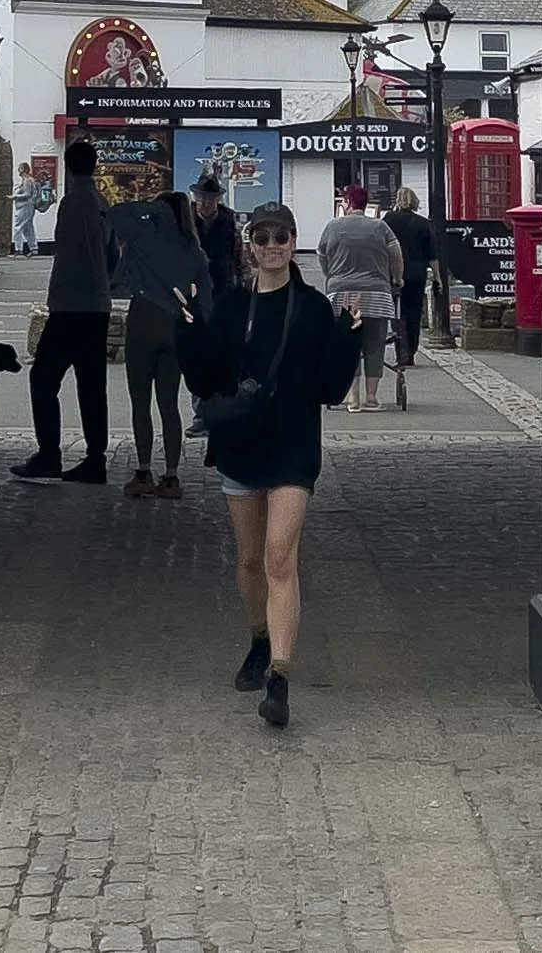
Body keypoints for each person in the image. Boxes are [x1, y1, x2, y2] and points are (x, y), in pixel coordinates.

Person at [178, 201, 359, 729]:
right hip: (241, 443)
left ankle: (279, 675)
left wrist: (348, 341)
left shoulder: (312, 307)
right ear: (250, 245)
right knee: (250, 560)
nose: (273, 245)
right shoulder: (232, 305)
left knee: (280, 557)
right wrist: (188, 329)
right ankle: (259, 638)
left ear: (293, 242)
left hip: (294, 445)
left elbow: (328, 387)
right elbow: (207, 377)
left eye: (282, 236)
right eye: (263, 237)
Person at [12, 139, 113, 484]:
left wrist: (55, 298)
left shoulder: (73, 204)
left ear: (68, 167)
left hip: (72, 305)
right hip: (97, 305)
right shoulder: (101, 202)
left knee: (43, 378)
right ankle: (95, 457)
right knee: (91, 384)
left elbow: (70, 258)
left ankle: (49, 453)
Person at [111, 187, 210, 497]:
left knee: (140, 402)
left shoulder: (140, 244)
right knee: (169, 404)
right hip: (175, 330)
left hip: (141, 326)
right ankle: (171, 475)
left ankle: (143, 470)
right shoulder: (194, 250)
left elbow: (119, 282)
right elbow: (206, 301)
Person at [316, 182, 402, 412]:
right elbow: (396, 253)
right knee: (375, 346)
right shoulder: (380, 227)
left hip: (341, 293)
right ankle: (371, 397)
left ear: (346, 203)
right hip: (377, 292)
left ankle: (353, 399)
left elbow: (322, 255)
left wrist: (331, 275)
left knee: (347, 345)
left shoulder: (332, 227)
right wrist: (397, 278)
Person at [383, 186, 438, 410]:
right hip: (416, 273)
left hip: (393, 273)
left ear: (397, 200)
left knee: (396, 312)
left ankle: (400, 348)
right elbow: (431, 253)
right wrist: (438, 277)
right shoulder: (423, 223)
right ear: (414, 201)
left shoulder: (387, 220)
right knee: (414, 312)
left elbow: (382, 247)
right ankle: (411, 351)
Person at [189, 173, 244, 304]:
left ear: (218, 199)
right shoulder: (185, 221)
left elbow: (238, 257)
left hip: (222, 287)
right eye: (201, 197)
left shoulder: (230, 221)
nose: (206, 203)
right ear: (195, 197)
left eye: (210, 199)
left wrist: (240, 286)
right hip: (192, 287)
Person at [10, 159, 54, 256]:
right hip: (28, 206)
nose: (18, 170)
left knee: (18, 227)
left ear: (25, 169)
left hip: (25, 206)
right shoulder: (30, 180)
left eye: (20, 168)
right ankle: (33, 248)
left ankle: (18, 249)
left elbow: (27, 194)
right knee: (28, 228)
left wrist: (15, 196)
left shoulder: (27, 180)